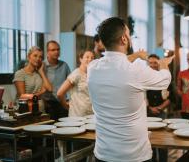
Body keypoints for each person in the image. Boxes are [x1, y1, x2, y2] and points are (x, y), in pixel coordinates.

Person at [87, 17, 173, 162]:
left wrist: (138, 55)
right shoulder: (136, 70)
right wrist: (163, 63)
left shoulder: (93, 68)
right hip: (134, 156)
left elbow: (116, 63)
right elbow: (165, 80)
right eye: (128, 34)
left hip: (104, 154)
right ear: (124, 39)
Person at [57, 50, 95, 117]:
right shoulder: (76, 74)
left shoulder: (92, 75)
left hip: (90, 115)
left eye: (92, 57)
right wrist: (66, 106)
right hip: (77, 116)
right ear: (81, 59)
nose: (90, 59)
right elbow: (60, 93)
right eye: (87, 57)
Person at [43, 40, 71, 120]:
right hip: (48, 104)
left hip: (63, 102)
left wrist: (69, 100)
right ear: (47, 52)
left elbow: (71, 84)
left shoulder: (64, 65)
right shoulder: (42, 66)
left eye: (58, 49)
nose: (56, 52)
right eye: (53, 50)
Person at [146, 54, 170, 118]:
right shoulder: (143, 78)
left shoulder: (165, 77)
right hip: (146, 112)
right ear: (147, 64)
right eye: (150, 63)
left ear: (159, 64)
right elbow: (141, 96)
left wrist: (159, 108)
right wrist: (150, 108)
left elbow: (171, 97)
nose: (152, 65)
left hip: (161, 112)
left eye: (155, 63)